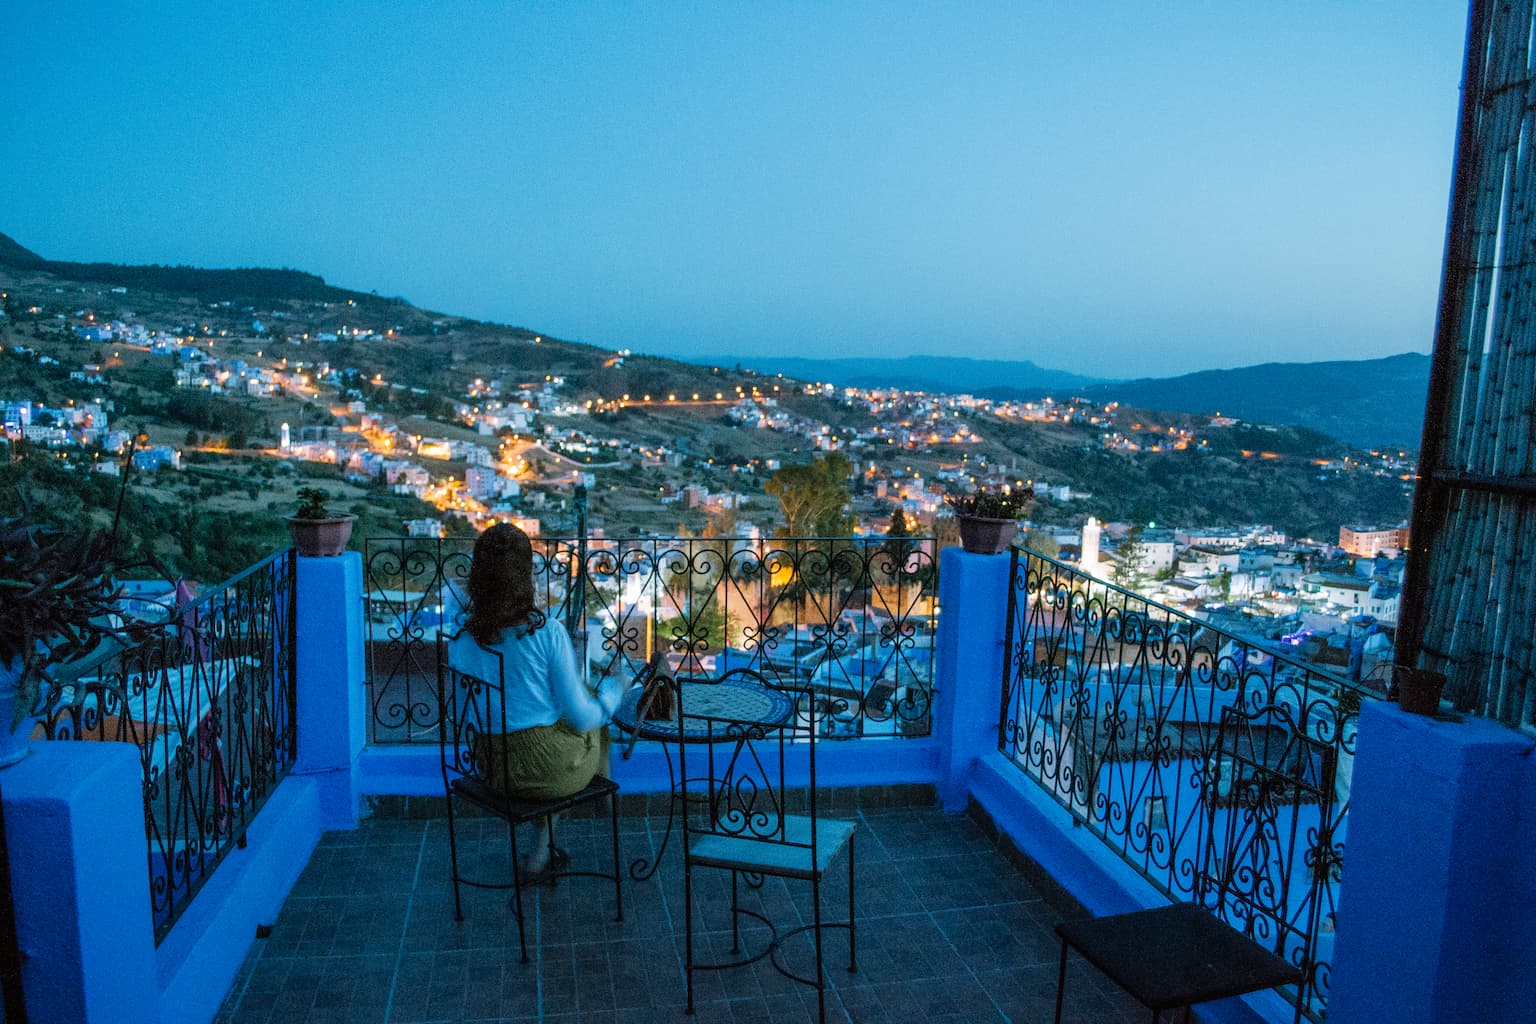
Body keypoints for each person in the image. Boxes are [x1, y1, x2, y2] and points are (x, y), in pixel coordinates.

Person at [448, 523, 626, 875]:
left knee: (562, 724)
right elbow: (582, 718)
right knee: (595, 717)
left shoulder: (462, 637)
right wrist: (616, 691)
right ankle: (604, 799)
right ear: (527, 575)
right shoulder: (546, 634)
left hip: (491, 767)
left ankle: (541, 854)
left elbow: (461, 714)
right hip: (546, 771)